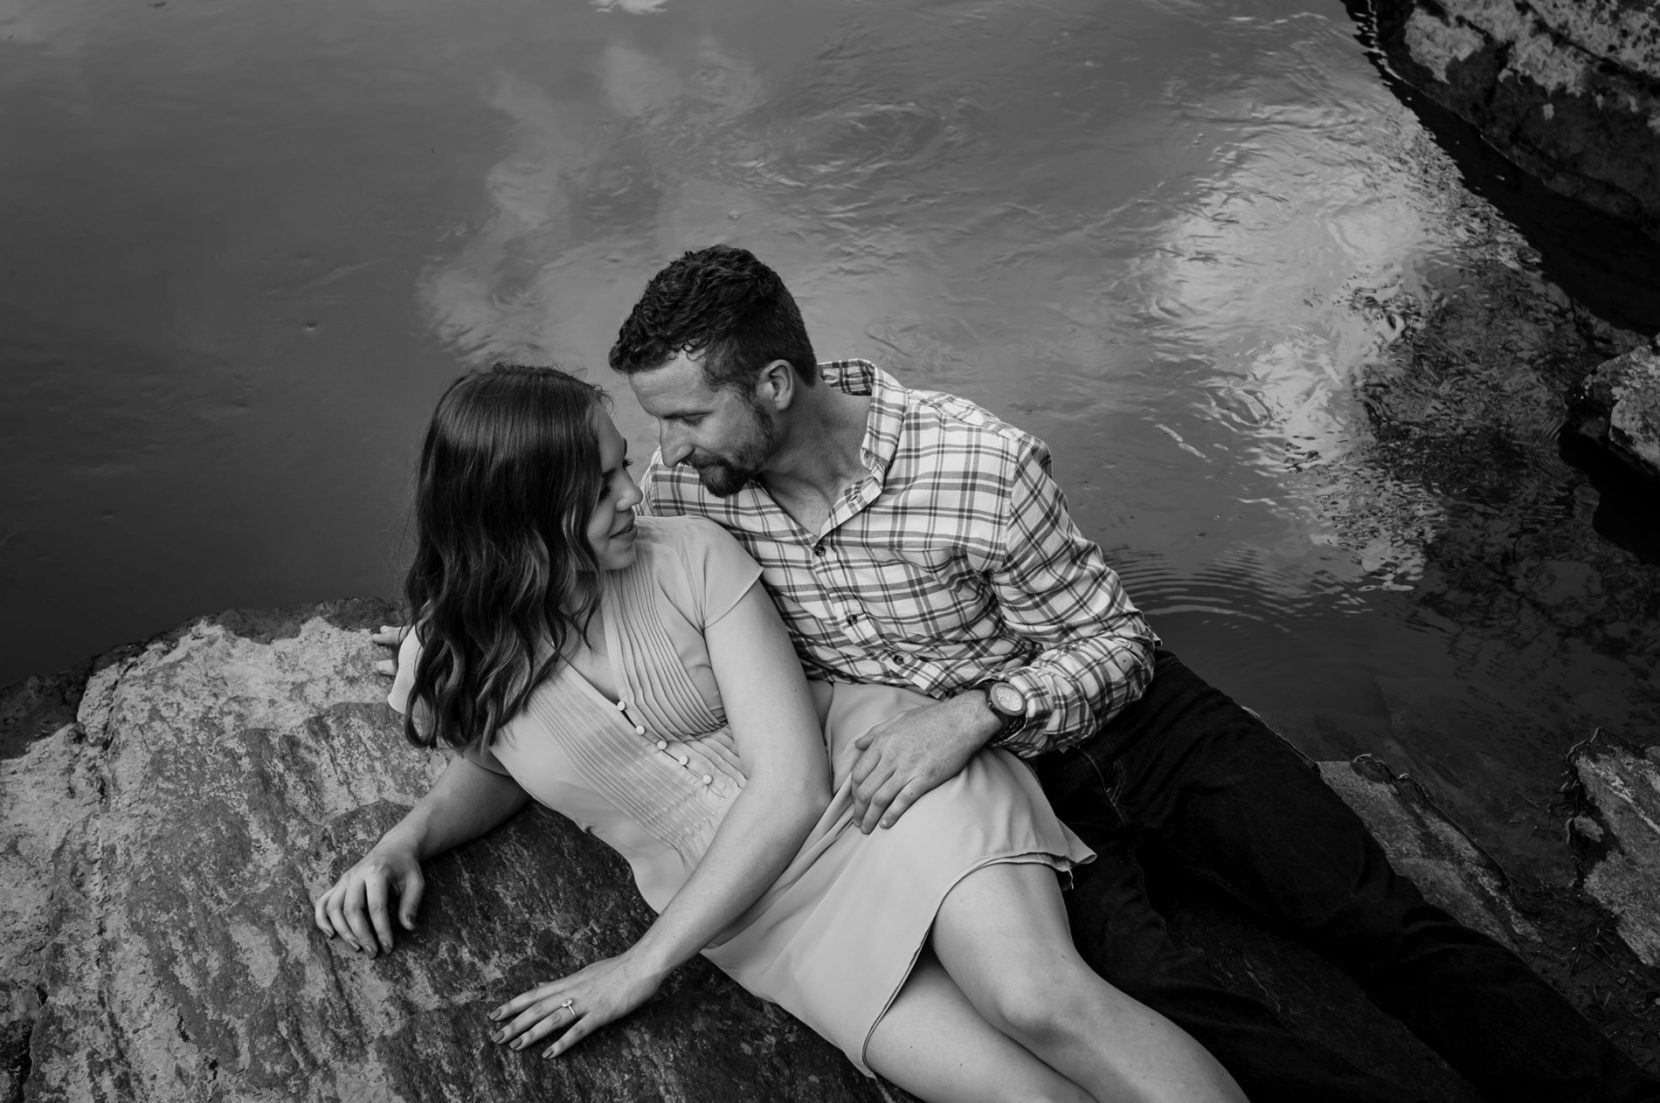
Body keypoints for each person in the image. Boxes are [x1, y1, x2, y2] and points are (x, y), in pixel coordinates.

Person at [604, 244, 1660, 1103]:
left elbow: (1109, 641)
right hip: (1017, 801)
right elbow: (575, 547)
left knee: (1368, 915)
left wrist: (979, 709)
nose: (666, 446)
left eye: (686, 415)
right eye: (658, 422)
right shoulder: (694, 492)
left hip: (1144, 729)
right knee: (1161, 993)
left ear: (774, 384)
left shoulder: (972, 462)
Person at [318, 364, 1247, 1103]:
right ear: (518, 515)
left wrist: (639, 967)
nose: (640, 487)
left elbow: (793, 785)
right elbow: (500, 765)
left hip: (878, 793)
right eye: (601, 483)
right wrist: (406, 839)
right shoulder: (451, 660)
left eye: (618, 462)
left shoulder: (691, 557)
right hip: (766, 923)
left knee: (1038, 1000)